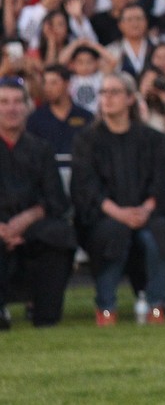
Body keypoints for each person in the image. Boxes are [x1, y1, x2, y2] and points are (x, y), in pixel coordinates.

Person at [71, 72, 165, 325]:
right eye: (103, 93)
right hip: (105, 215)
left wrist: (144, 209)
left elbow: (162, 182)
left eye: (115, 92)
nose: (107, 98)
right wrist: (119, 213)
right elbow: (86, 187)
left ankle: (156, 307)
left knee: (159, 235)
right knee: (112, 234)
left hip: (148, 213)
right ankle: (106, 308)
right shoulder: (87, 140)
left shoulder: (152, 139)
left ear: (130, 99)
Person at [0, 77, 76, 329]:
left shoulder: (41, 149)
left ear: (27, 107)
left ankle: (45, 315)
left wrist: (26, 219)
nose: (11, 108)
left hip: (33, 227)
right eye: (4, 102)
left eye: (17, 102)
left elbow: (55, 199)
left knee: (58, 234)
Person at [27, 63, 94, 157]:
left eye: (53, 83)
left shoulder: (86, 117)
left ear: (67, 84)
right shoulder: (35, 119)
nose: (48, 88)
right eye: (45, 83)